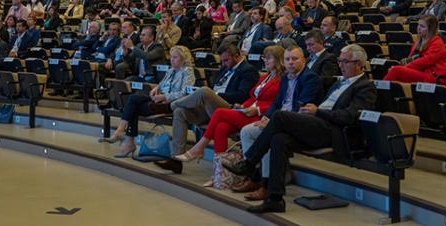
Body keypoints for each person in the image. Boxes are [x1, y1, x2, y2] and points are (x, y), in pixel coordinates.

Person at [222, 44, 377, 213]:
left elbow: (350, 117)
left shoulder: (365, 87)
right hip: (316, 124)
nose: (340, 65)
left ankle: (249, 163)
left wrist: (318, 111)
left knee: (280, 116)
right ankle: (275, 199)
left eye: (345, 61)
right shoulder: (340, 83)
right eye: (340, 61)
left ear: (359, 64)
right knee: (278, 139)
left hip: (333, 131)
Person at [173, 46, 284, 170]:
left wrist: (257, 109)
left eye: (269, 58)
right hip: (244, 110)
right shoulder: (265, 77)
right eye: (265, 58)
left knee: (213, 104)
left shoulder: (280, 79)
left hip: (259, 116)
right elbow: (252, 97)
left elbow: (279, 102)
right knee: (220, 127)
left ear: (279, 60)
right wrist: (243, 106)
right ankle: (219, 173)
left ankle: (199, 147)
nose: (265, 61)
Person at [154, 43, 259, 174]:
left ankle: (169, 106)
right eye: (222, 61)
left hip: (230, 108)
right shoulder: (225, 67)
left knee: (204, 91)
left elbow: (243, 95)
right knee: (180, 112)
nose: (224, 63)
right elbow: (215, 86)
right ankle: (176, 160)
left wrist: (215, 96)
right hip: (211, 107)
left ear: (237, 56)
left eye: (226, 60)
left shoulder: (248, 70)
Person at [107, 46, 196, 157]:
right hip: (159, 100)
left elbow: (186, 93)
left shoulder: (187, 71)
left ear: (184, 59)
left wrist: (165, 97)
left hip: (171, 103)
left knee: (133, 105)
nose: (172, 60)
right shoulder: (171, 70)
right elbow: (161, 85)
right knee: (133, 100)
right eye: (171, 57)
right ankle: (124, 137)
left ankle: (125, 137)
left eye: (175, 57)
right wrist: (155, 89)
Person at [384, 15, 446, 84]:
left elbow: (425, 61)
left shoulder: (437, 42)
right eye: (418, 25)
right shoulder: (418, 42)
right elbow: (410, 59)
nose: (418, 28)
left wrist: (404, 68)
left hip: (434, 77)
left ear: (431, 29)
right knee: (393, 72)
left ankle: (378, 92)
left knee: (396, 70)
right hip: (422, 73)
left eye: (422, 26)